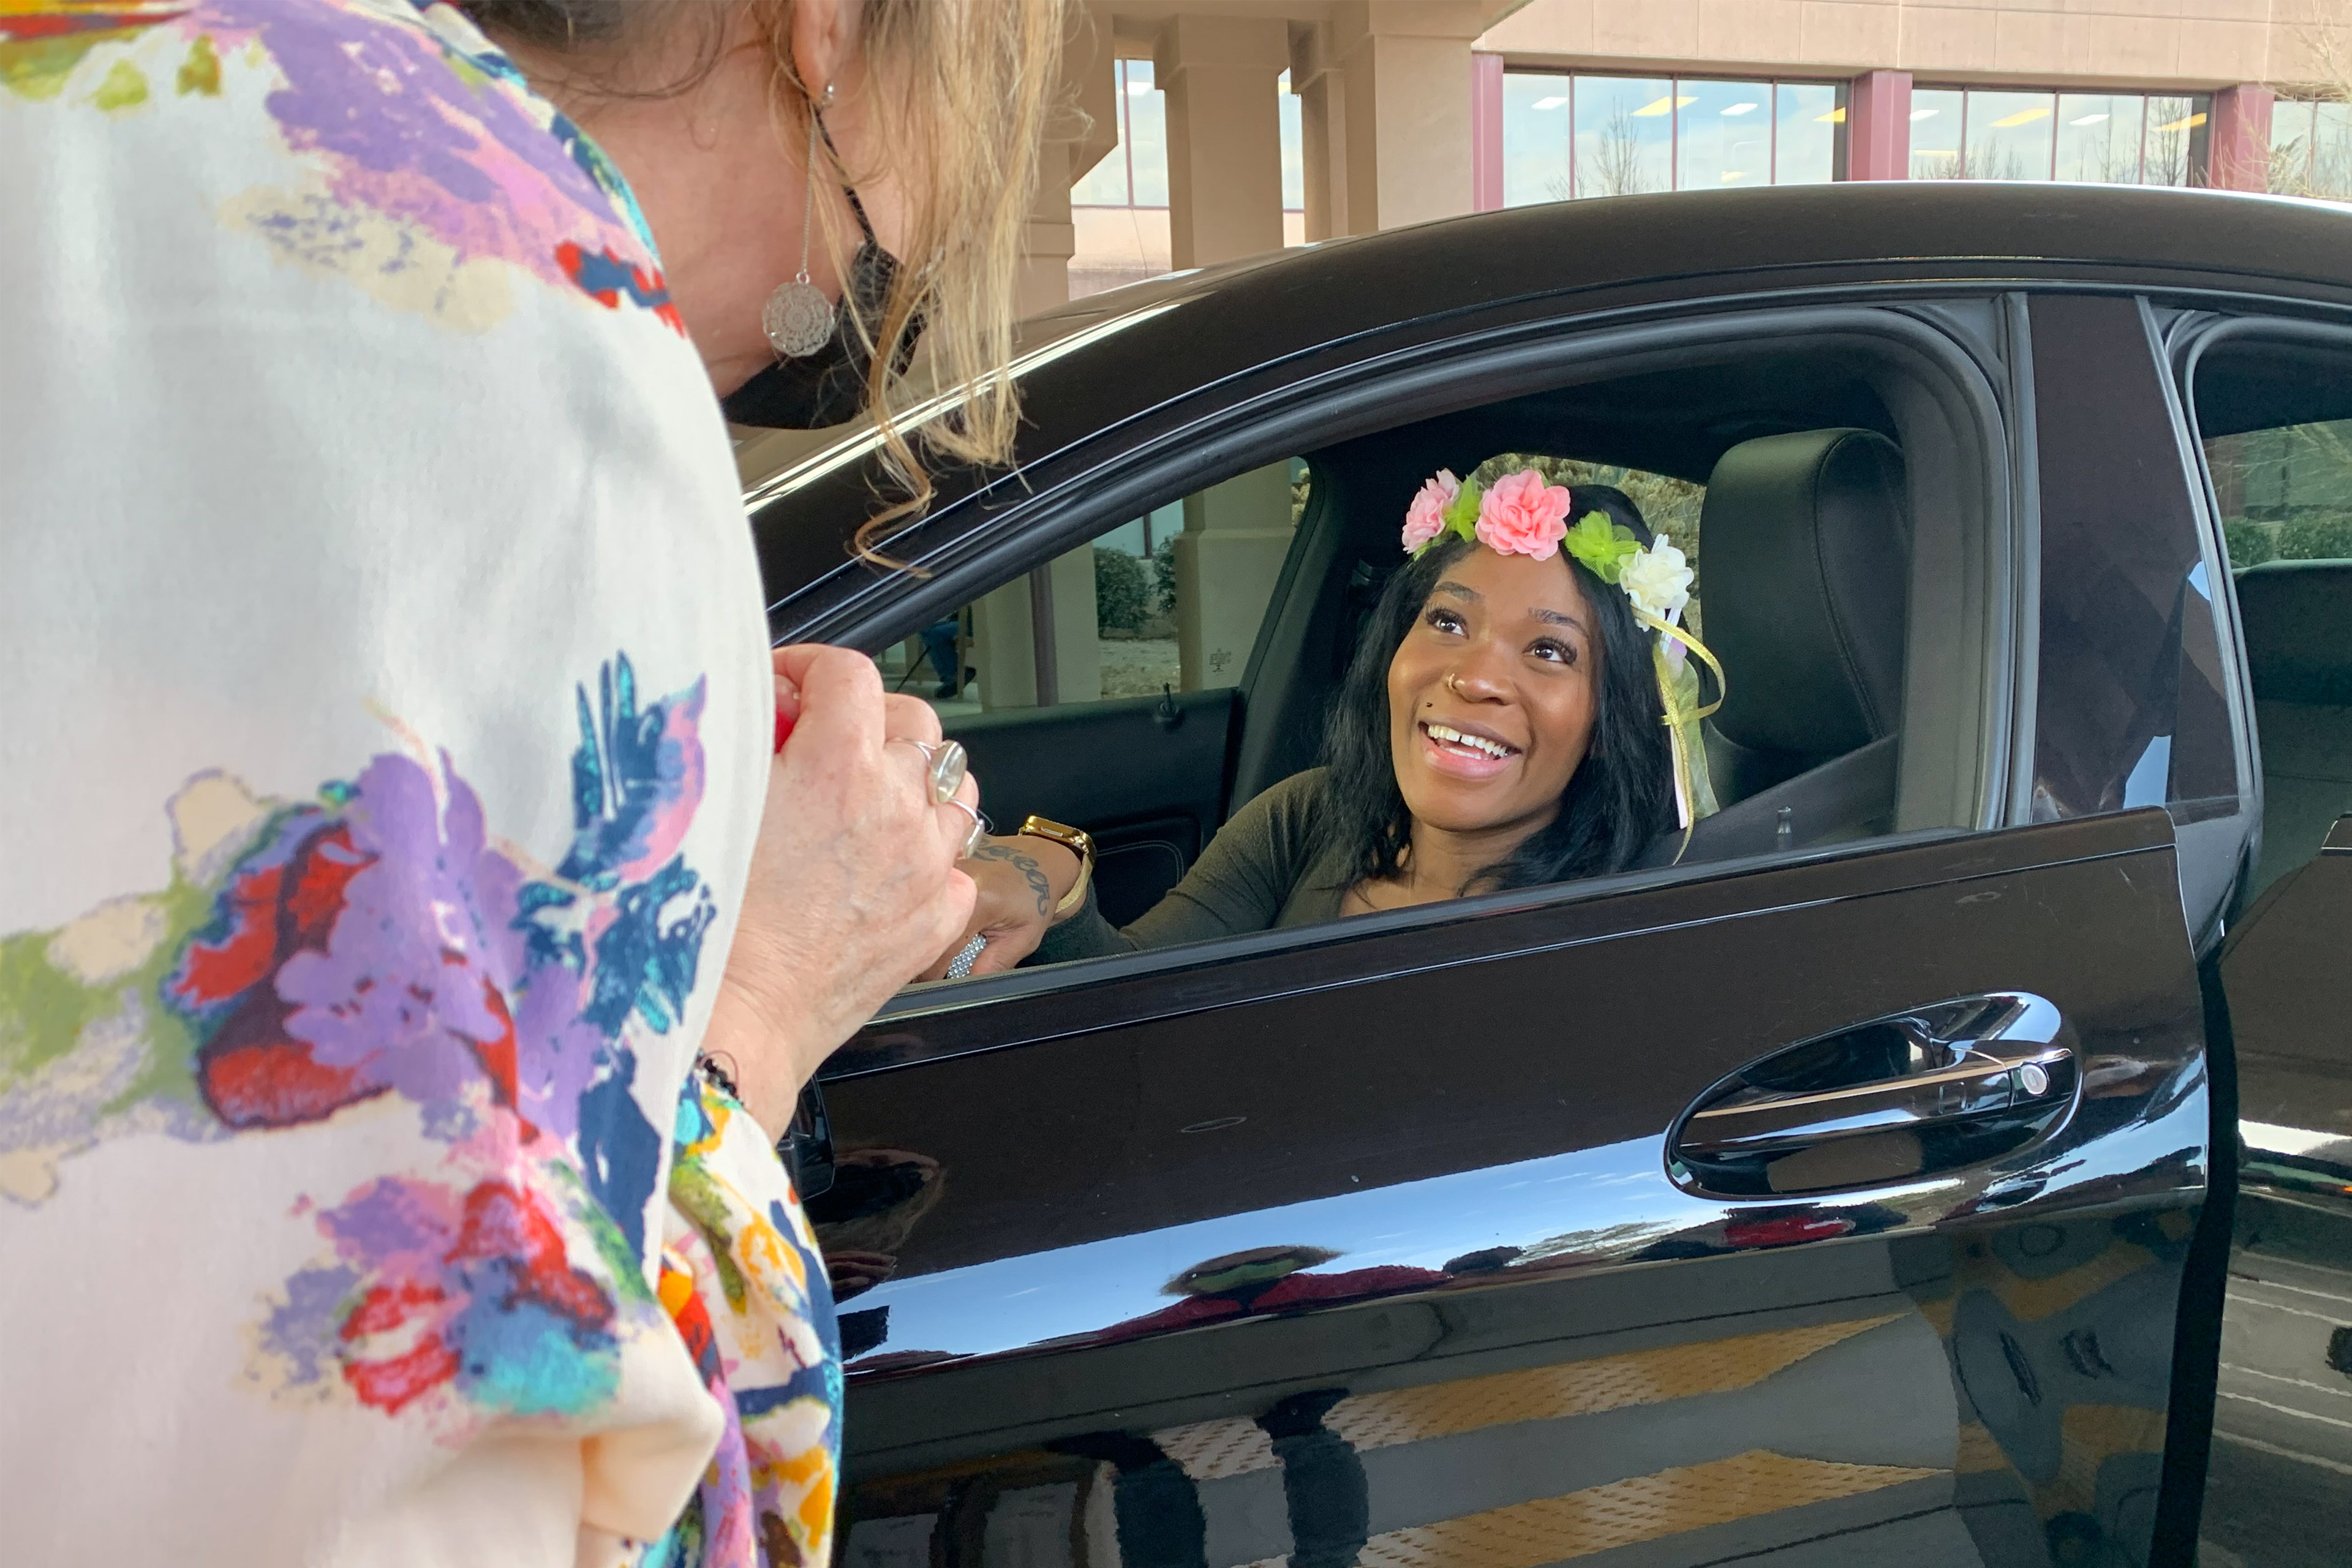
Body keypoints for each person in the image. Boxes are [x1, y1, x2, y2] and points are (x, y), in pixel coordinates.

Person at [0, 1, 1058, 1565]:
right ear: (828, 28)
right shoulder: (545, 354)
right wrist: (753, 1010)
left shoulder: (85, 100)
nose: (873, 283)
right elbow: (463, 1476)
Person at [936, 474, 1701, 973]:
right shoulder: (1309, 817)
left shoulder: (1628, 930)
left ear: (1607, 718)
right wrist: (1053, 872)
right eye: (1446, 621)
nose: (1473, 677)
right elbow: (1131, 991)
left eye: (1548, 649)